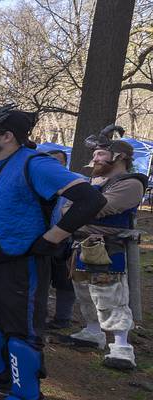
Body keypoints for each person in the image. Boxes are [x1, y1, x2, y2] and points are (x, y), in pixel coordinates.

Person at [0, 105, 106, 400]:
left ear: (7, 136)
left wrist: (51, 238)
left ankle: (26, 398)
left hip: (21, 264)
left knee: (22, 330)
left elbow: (91, 199)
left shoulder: (34, 164)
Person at [65, 126, 147, 369]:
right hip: (82, 244)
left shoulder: (130, 184)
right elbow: (68, 208)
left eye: (100, 154)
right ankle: (93, 332)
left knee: (110, 295)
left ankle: (121, 347)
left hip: (108, 248)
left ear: (119, 156)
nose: (95, 159)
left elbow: (96, 208)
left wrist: (78, 210)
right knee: (84, 294)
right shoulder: (95, 181)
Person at [44, 149, 77, 330]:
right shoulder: (39, 183)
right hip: (41, 239)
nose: (53, 166)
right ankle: (40, 315)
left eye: (58, 162)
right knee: (42, 279)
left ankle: (63, 318)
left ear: (64, 163)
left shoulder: (74, 181)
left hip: (66, 240)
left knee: (65, 281)